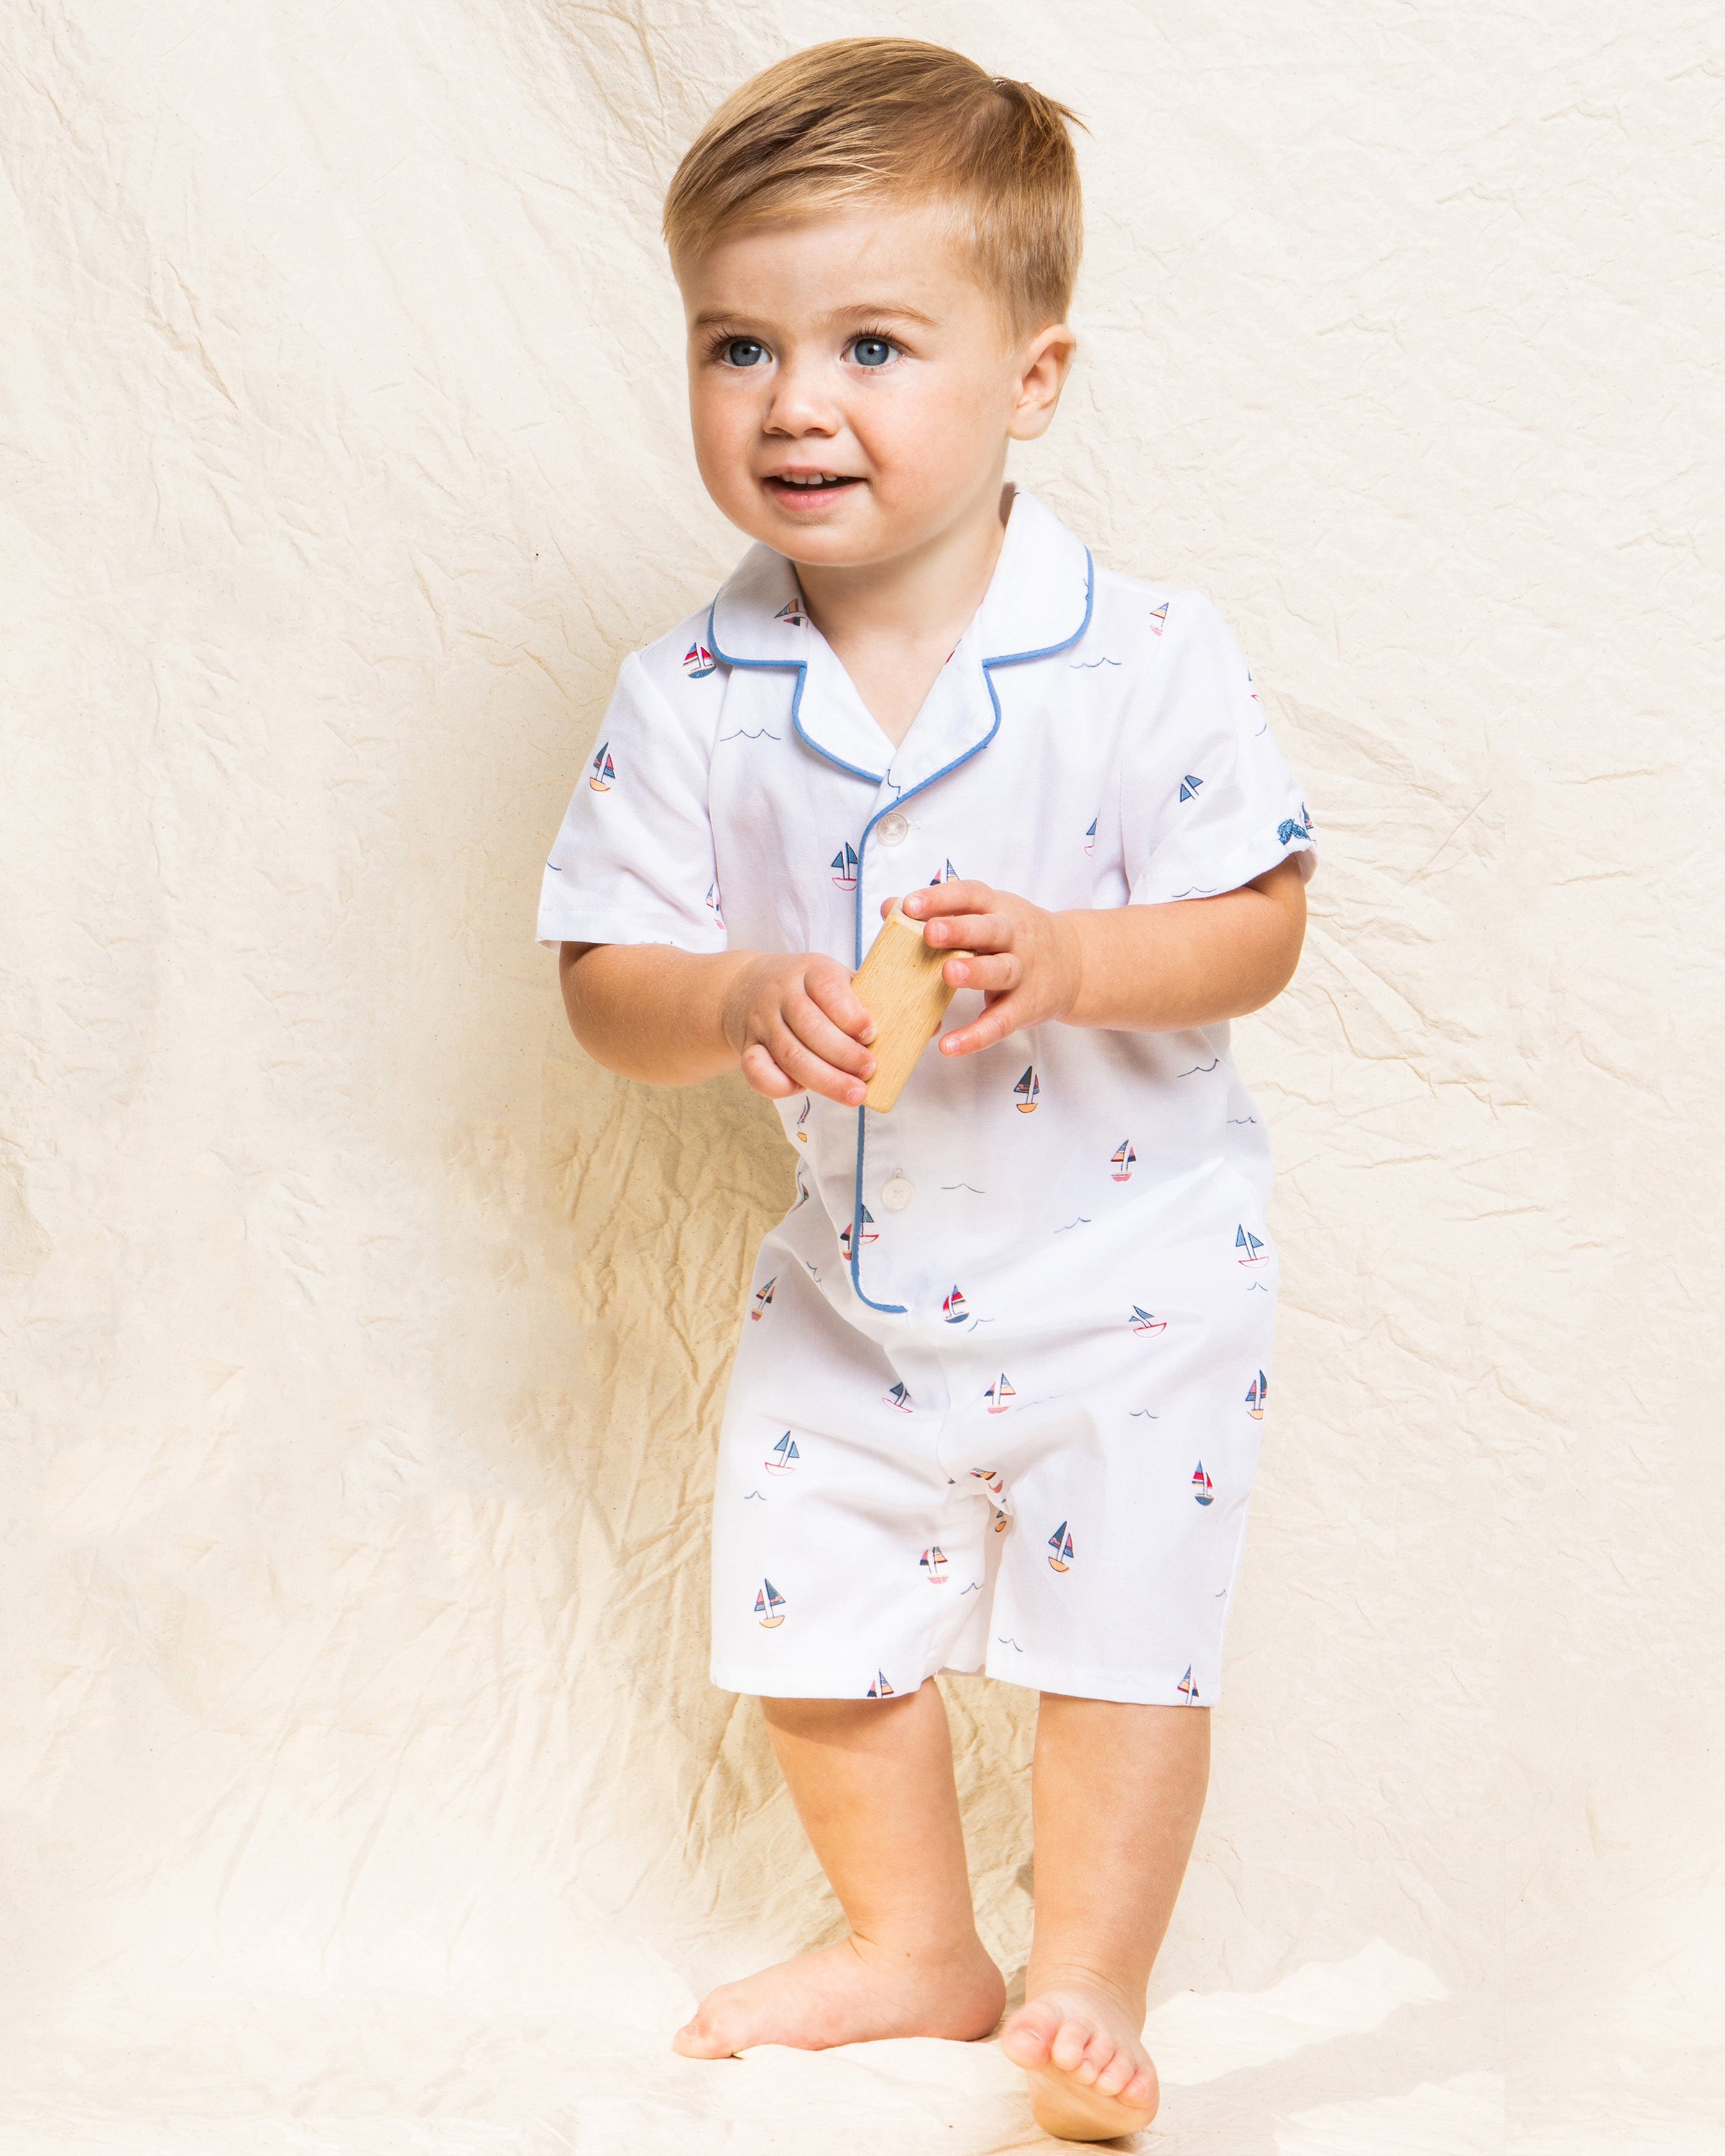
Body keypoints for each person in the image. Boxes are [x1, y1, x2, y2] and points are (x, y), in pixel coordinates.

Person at [538, 38, 1314, 2142]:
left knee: (1120, 1649)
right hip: (859, 1282)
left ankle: (1086, 1983)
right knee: (808, 1627)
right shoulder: (695, 690)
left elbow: (1259, 923)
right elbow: (602, 978)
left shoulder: (1142, 653)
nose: (797, 403)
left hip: (1133, 1265)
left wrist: (1073, 960)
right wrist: (726, 998)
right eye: (739, 345)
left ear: (1032, 378)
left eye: (873, 343)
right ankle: (912, 1940)